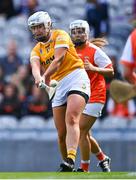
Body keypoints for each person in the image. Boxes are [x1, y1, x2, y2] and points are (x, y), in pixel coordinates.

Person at [27, 11, 90, 172]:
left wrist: (45, 76)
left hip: (76, 76)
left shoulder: (60, 35)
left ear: (49, 25)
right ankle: (68, 166)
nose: (37, 31)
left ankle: (70, 158)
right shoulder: (36, 50)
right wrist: (37, 78)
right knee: (61, 133)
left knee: (72, 118)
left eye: (40, 27)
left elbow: (59, 59)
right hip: (58, 85)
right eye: (34, 28)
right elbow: (35, 66)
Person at [69, 20, 114, 172]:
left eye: (81, 31)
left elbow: (111, 71)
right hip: (81, 95)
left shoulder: (94, 50)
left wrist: (93, 68)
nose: (77, 34)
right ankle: (102, 158)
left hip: (96, 94)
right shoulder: (70, 51)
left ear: (87, 33)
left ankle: (84, 168)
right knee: (85, 133)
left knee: (81, 131)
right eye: (74, 32)